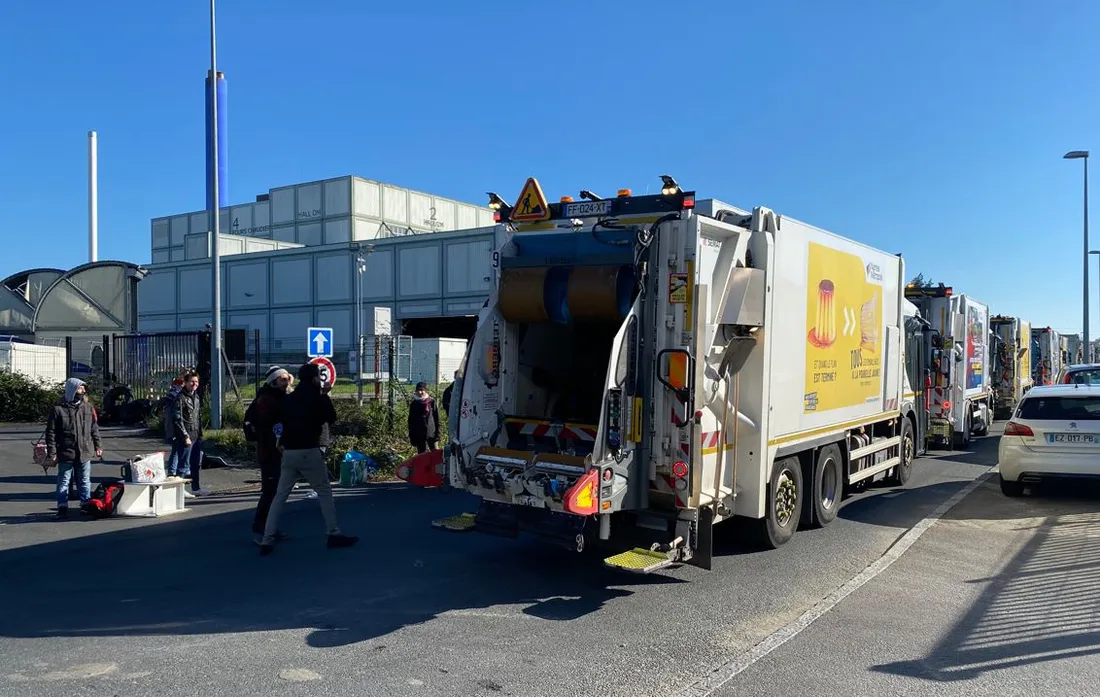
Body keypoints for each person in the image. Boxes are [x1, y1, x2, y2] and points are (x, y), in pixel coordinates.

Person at [258, 362, 357, 556]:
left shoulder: (288, 399)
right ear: (314, 379)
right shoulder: (317, 398)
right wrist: (325, 395)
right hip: (310, 450)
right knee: (324, 491)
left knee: (280, 496)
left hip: (289, 452)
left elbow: (280, 423)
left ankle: (267, 538)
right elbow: (331, 417)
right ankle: (333, 533)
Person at [248, 366, 293, 545]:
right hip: (269, 451)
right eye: (282, 379)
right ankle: (260, 528)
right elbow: (267, 427)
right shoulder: (266, 399)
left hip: (280, 450)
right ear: (273, 381)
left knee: (276, 492)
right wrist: (278, 442)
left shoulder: (282, 396)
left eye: (287, 378)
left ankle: (270, 527)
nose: (286, 381)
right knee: (270, 491)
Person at [45, 378, 102, 517]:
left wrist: (98, 445)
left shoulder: (88, 407)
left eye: (84, 388)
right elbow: (51, 432)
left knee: (84, 480)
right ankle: (62, 506)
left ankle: (85, 504)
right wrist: (52, 451)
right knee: (64, 480)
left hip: (85, 451)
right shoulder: (58, 410)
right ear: (72, 390)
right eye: (80, 388)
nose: (83, 391)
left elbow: (94, 428)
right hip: (66, 451)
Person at [170, 371, 211, 497]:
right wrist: (185, 436)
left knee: (195, 464)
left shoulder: (196, 397)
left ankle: (196, 488)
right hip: (185, 436)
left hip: (196, 435)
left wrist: (200, 434)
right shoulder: (180, 398)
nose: (194, 384)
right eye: (192, 382)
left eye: (196, 382)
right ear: (186, 383)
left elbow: (197, 417)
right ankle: (179, 490)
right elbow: (177, 419)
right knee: (183, 464)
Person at [161, 376, 185, 476]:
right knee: (177, 450)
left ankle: (173, 470)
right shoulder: (177, 396)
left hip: (173, 427)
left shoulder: (171, 395)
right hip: (175, 427)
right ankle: (174, 471)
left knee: (176, 449)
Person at [408, 381, 440, 454]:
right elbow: (411, 421)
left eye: (422, 390)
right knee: (421, 455)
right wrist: (412, 436)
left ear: (425, 391)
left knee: (435, 453)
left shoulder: (431, 402)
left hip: (431, 433)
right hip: (419, 434)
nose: (420, 392)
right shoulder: (414, 404)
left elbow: (437, 419)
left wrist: (438, 434)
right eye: (418, 390)